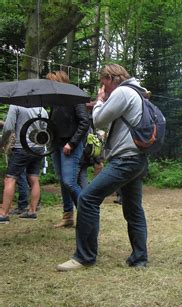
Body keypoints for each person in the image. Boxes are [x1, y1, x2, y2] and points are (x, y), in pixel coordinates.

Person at [57, 63, 149, 271]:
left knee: (87, 199)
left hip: (125, 159)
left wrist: (99, 100)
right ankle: (139, 258)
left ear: (111, 78)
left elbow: (98, 121)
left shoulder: (123, 91)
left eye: (103, 83)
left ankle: (84, 257)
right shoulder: (137, 91)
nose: (103, 88)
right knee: (133, 209)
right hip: (137, 158)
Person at [46, 71, 90, 228]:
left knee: (69, 182)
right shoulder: (56, 100)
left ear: (58, 81)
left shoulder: (74, 97)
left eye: (51, 82)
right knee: (63, 183)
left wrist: (71, 143)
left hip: (71, 146)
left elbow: (85, 123)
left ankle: (87, 215)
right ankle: (68, 217)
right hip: (56, 146)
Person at [0, 105, 48, 223]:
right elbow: (45, 128)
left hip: (21, 147)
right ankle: (32, 211)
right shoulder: (41, 108)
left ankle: (3, 214)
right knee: (34, 178)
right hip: (38, 147)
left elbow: (8, 128)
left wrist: (1, 143)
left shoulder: (15, 105)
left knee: (10, 179)